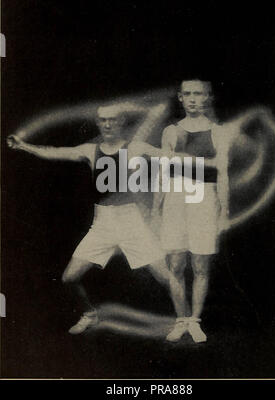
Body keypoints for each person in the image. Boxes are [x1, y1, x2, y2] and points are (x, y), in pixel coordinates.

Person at [7, 103, 174, 335]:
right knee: (69, 277)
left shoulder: (134, 147)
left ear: (121, 122)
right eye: (103, 120)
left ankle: (187, 319)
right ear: (99, 123)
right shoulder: (89, 150)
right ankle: (90, 314)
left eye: (112, 120)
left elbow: (169, 156)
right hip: (103, 223)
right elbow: (55, 152)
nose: (107, 124)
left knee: (165, 276)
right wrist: (24, 146)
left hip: (131, 221)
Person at [156, 79, 230, 343]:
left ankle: (195, 321)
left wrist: (224, 213)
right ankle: (181, 319)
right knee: (175, 263)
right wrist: (156, 210)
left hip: (204, 199)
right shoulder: (171, 131)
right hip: (176, 198)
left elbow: (221, 174)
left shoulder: (218, 132)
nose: (193, 98)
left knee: (200, 264)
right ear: (180, 97)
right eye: (187, 93)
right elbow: (163, 176)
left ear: (208, 97)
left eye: (198, 93)